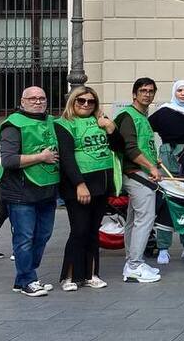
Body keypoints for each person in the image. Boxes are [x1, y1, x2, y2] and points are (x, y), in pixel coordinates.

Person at [55, 86, 121, 291]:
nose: (85, 104)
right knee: (79, 230)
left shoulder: (101, 120)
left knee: (93, 231)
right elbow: (66, 157)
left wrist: (110, 128)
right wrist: (79, 185)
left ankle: (92, 274)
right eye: (80, 101)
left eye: (90, 101)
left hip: (102, 184)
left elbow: (119, 147)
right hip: (79, 185)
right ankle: (69, 276)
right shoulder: (64, 124)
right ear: (72, 102)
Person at [0, 86, 60, 296]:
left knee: (43, 235)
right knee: (24, 238)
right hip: (20, 192)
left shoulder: (52, 122)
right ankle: (28, 281)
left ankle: (23, 277)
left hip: (48, 190)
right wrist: (41, 157)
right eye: (32, 98)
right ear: (22, 101)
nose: (38, 101)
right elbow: (8, 160)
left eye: (42, 97)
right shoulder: (12, 125)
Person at [115, 78, 164, 284]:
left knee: (134, 220)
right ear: (134, 94)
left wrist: (154, 160)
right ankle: (134, 265)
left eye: (151, 91)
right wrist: (150, 166)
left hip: (141, 172)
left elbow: (141, 145)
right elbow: (130, 148)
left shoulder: (142, 116)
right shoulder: (128, 116)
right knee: (145, 219)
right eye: (143, 90)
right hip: (136, 173)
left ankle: (132, 262)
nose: (147, 94)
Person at [148, 79, 184, 264]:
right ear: (174, 92)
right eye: (180, 90)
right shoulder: (163, 112)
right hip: (168, 159)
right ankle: (163, 248)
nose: (183, 93)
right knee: (166, 203)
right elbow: (145, 131)